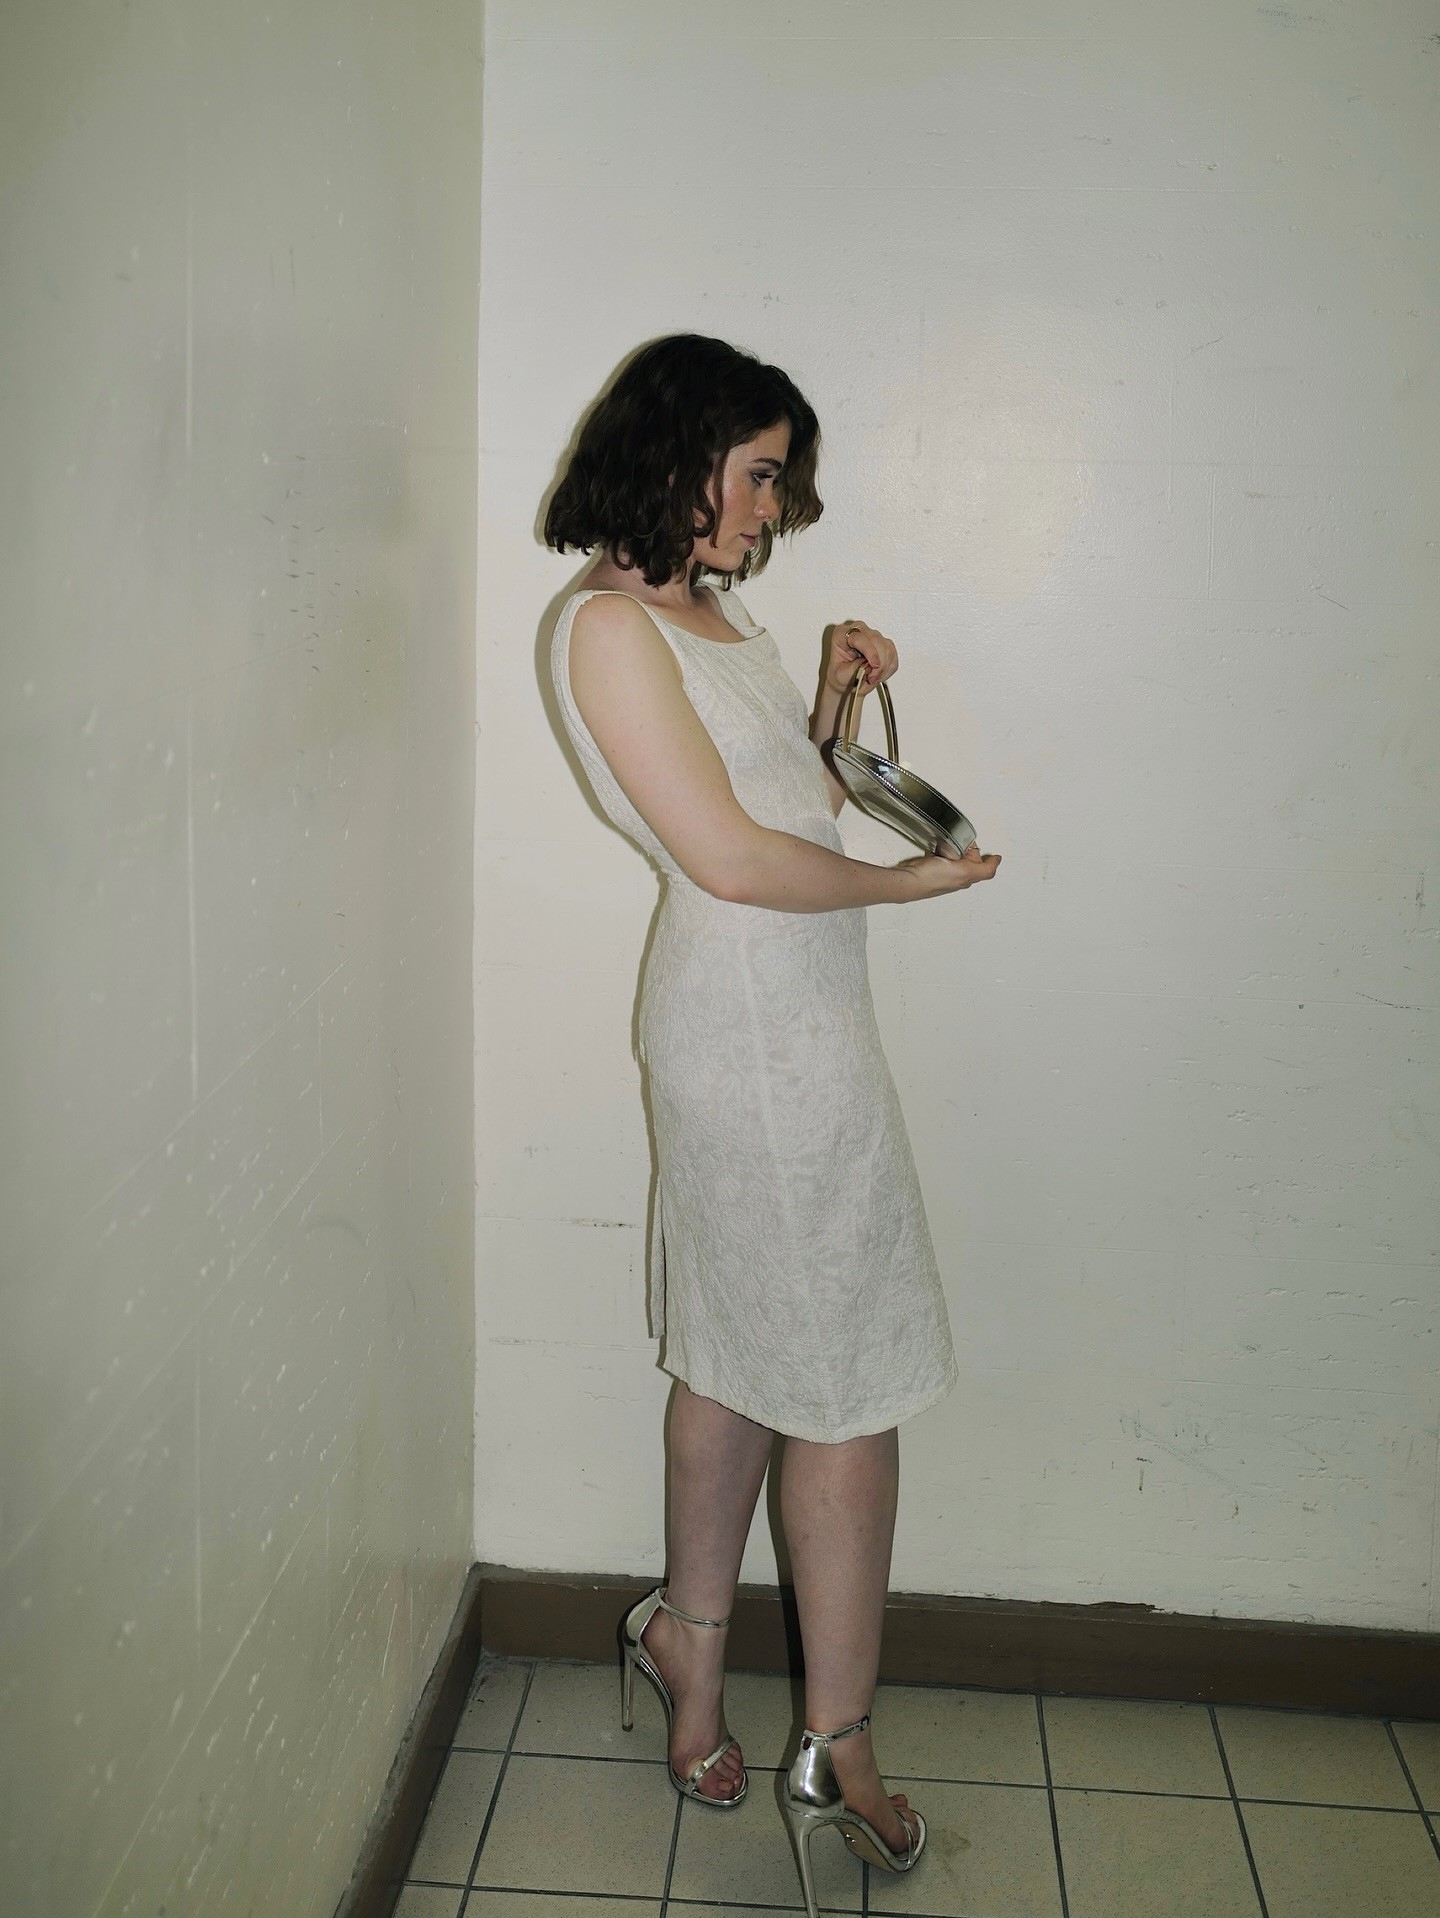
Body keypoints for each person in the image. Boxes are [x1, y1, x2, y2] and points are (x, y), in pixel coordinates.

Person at [544, 333, 1000, 1912]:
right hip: (748, 1036)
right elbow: (728, 858)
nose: (772, 507)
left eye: (777, 479)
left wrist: (830, 705)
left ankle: (687, 1639)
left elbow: (771, 798)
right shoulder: (607, 627)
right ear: (671, 452)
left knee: (743, 1351)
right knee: (845, 1382)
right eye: (756, 473)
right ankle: (836, 1747)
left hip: (802, 1026)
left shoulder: (709, 614)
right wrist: (907, 884)